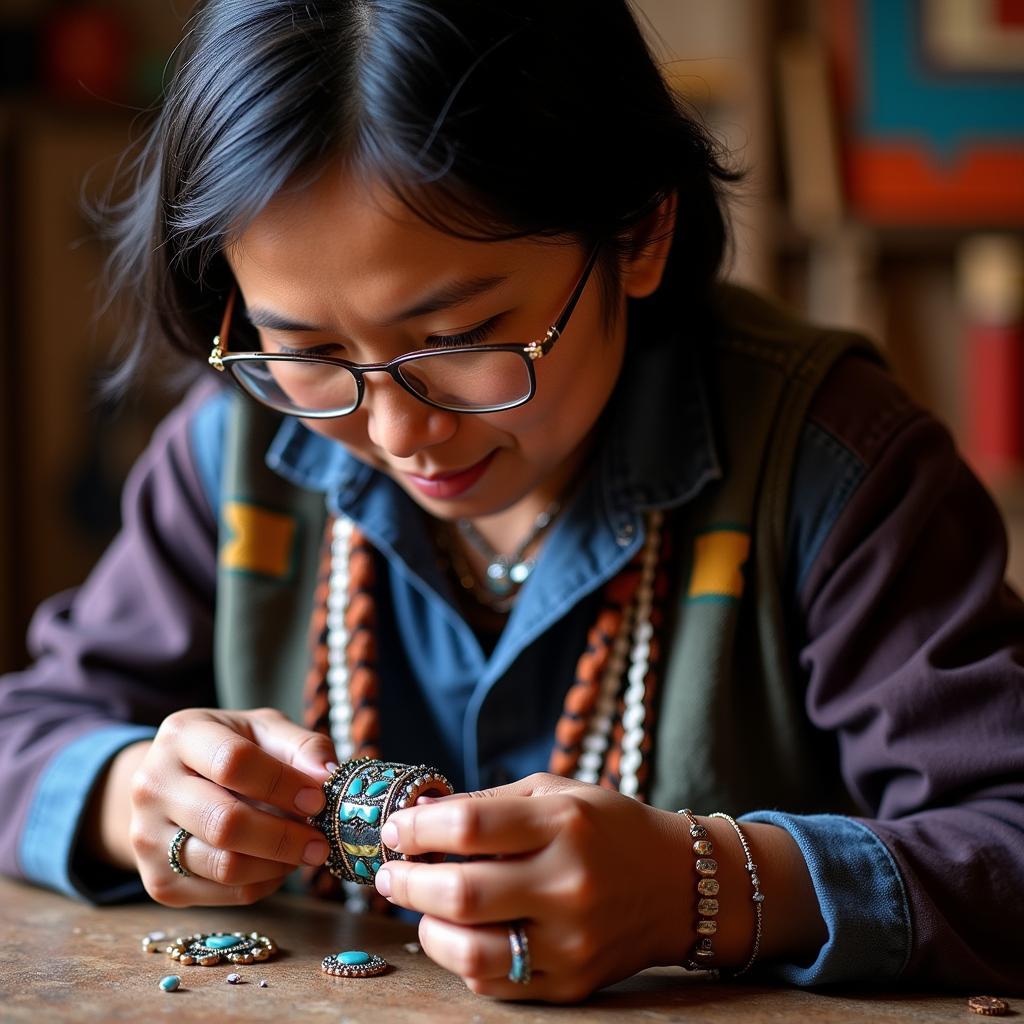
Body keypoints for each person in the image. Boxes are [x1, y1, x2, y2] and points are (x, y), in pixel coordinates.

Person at [1, 0, 1021, 1004]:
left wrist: (702, 888)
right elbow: (27, 731)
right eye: (308, 351)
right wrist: (131, 789)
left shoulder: (829, 462)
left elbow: (1005, 835)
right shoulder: (237, 450)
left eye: (458, 338)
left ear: (640, 230)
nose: (398, 433)